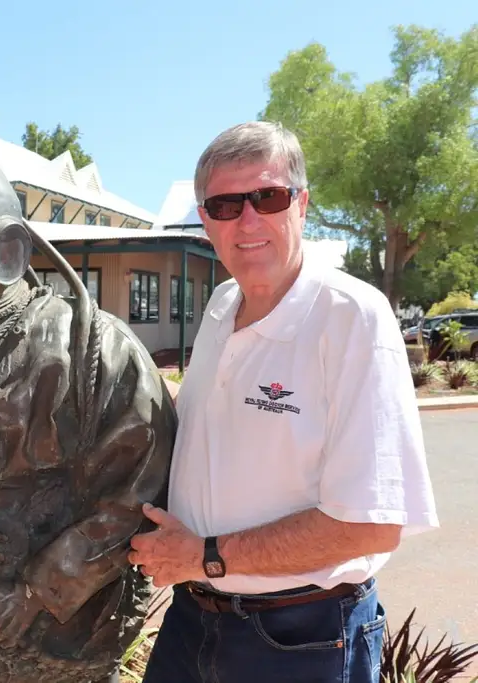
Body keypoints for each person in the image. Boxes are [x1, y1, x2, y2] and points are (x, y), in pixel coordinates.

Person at [129, 121, 439, 683]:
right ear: (205, 219)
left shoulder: (350, 318)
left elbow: (370, 525)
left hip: (303, 637)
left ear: (302, 205)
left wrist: (205, 555)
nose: (247, 221)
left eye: (266, 197)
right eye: (226, 204)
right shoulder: (223, 304)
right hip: (192, 621)